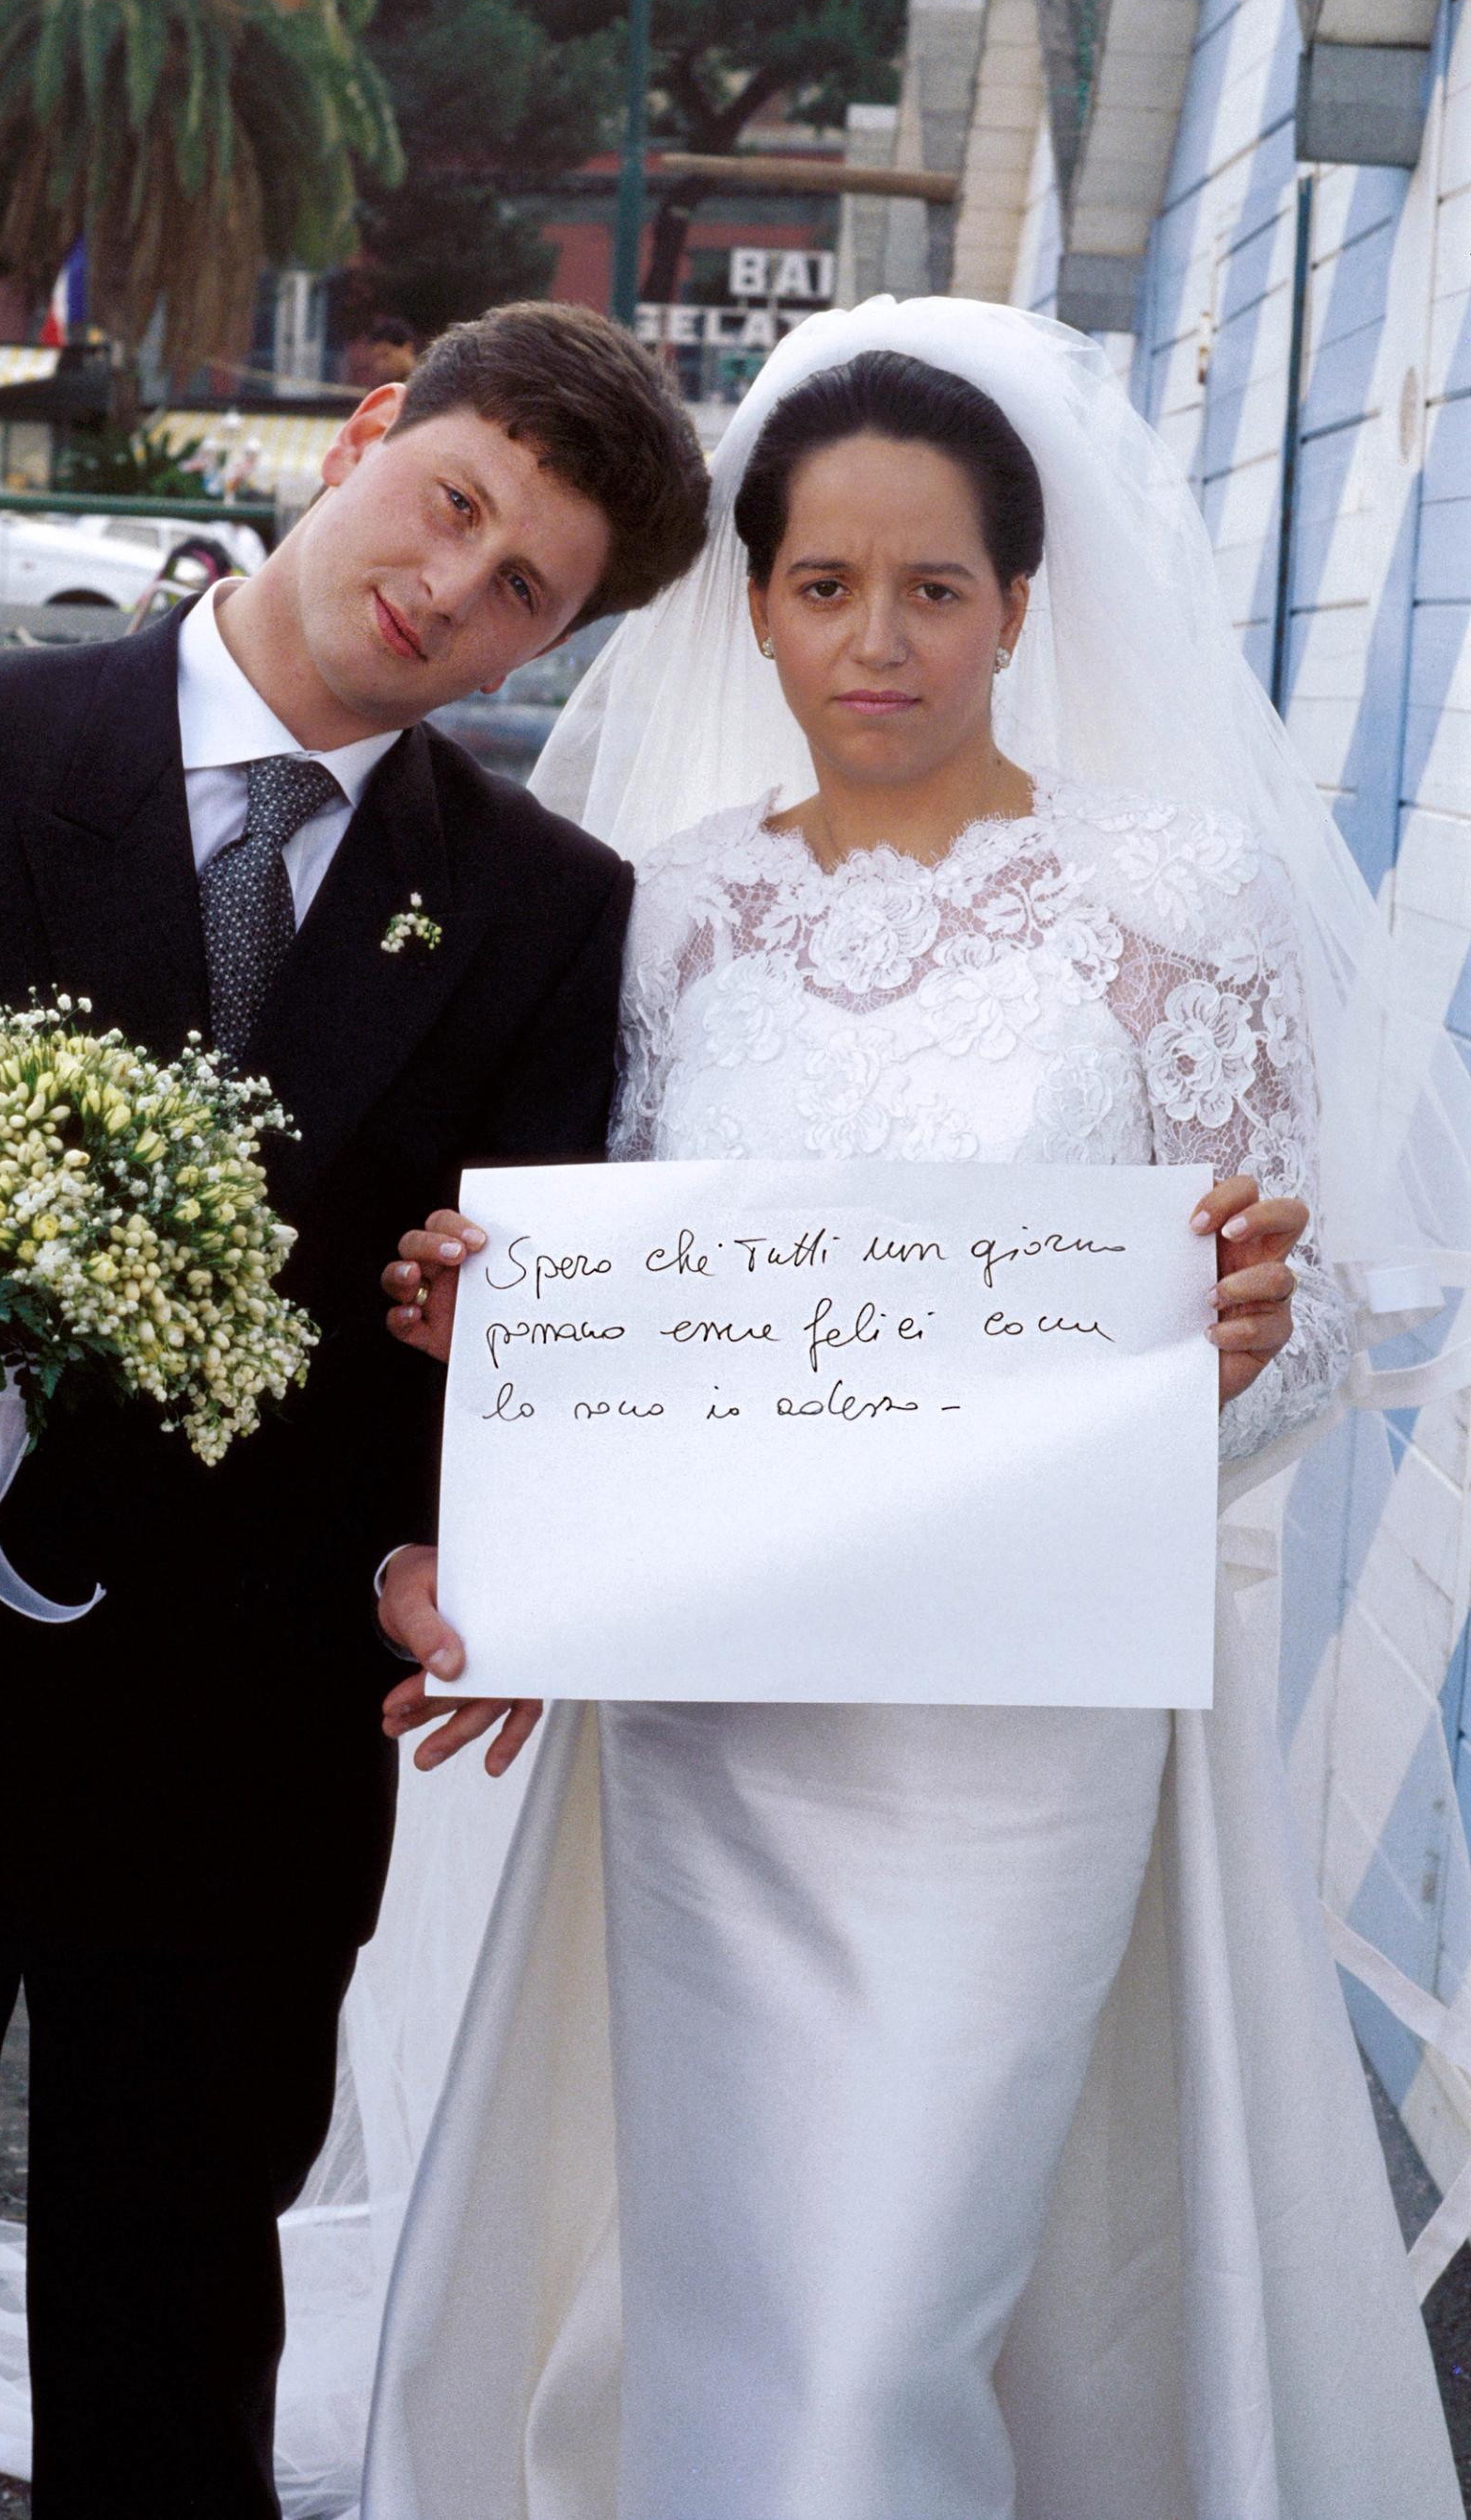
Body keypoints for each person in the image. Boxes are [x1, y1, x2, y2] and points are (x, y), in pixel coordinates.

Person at [364, 304, 1470, 2516]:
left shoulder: (1177, 899)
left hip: (1017, 1737)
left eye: (935, 586)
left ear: (1019, 607)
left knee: (886, 2318)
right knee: (731, 2282)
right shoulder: (670, 912)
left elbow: (1306, 1328)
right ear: (757, 606)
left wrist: (1231, 1346)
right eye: (825, 583)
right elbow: (620, 1305)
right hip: (715, 1730)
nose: (878, 639)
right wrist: (477, 1321)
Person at [0, 299, 708, 2518]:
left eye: (525, 585)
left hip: (241, 1741)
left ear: (560, 637)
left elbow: (501, 1339)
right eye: (450, 501)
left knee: (172, 2364)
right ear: (364, 431)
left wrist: (465, 1511)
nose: (450, 585)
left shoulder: (547, 907)